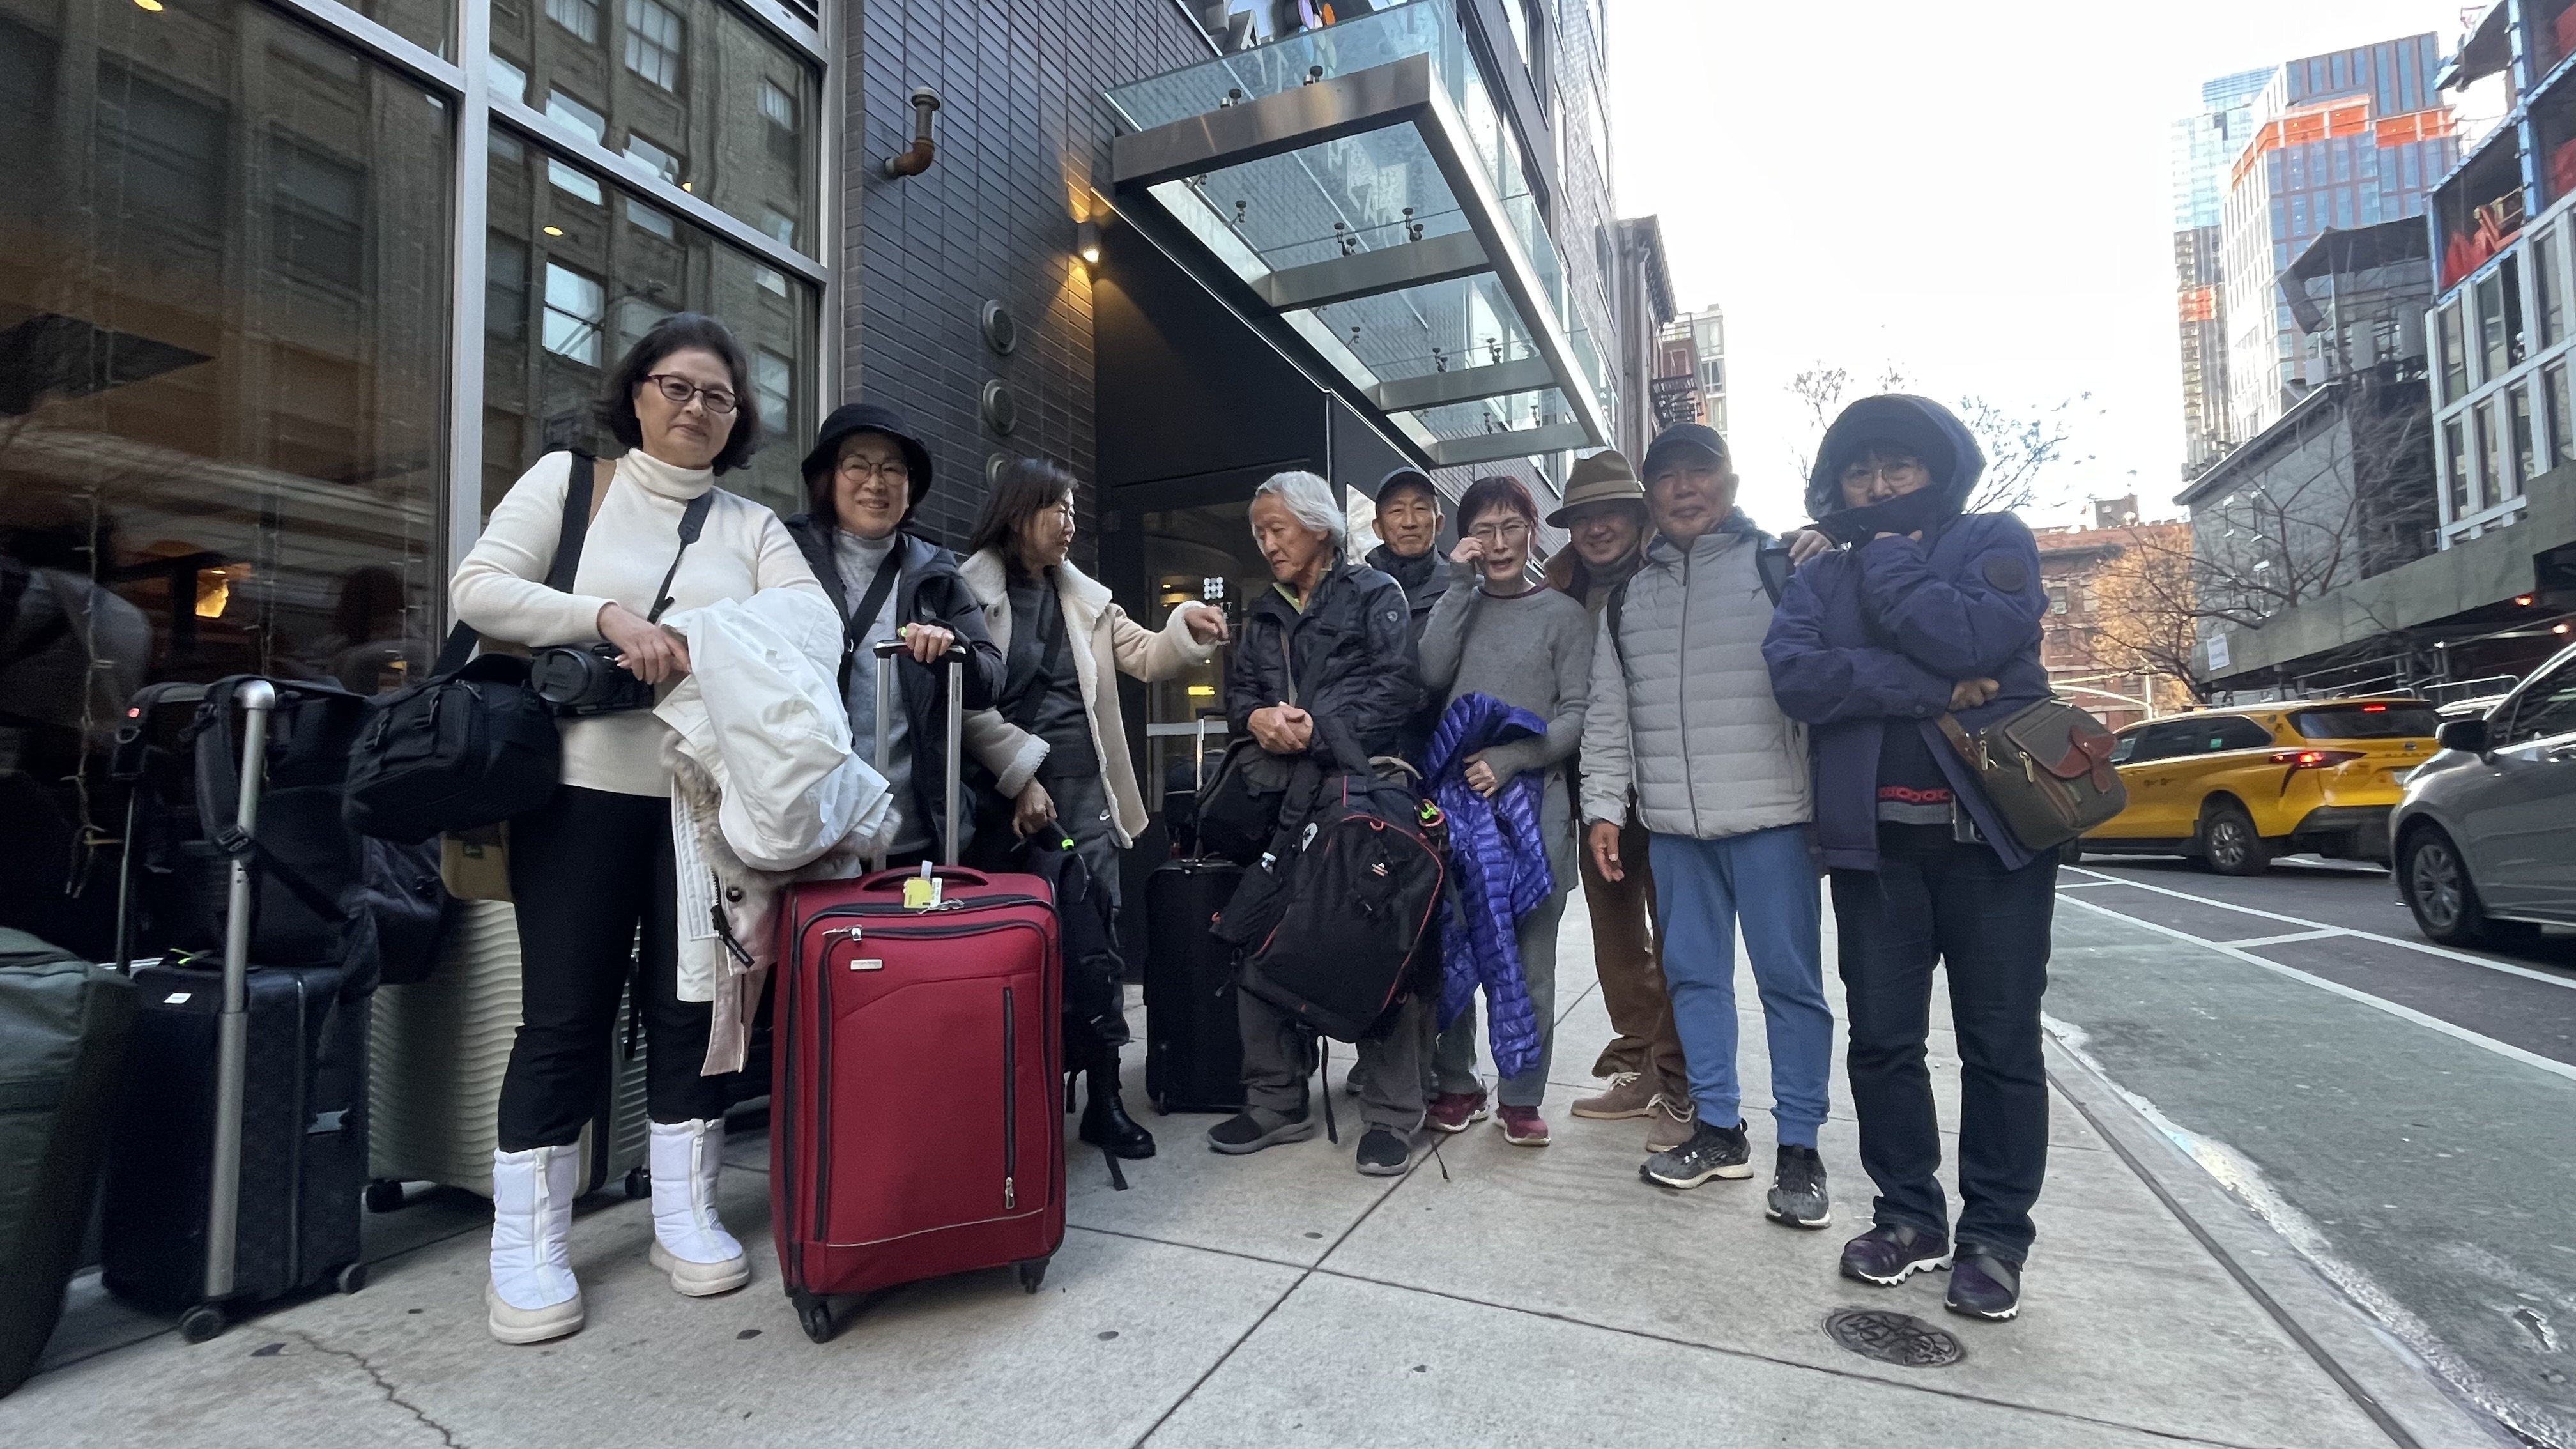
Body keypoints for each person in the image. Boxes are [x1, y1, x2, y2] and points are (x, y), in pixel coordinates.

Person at [452, 312, 830, 1344]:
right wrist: (606, 619)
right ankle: (527, 1246)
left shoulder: (753, 526)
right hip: (574, 792)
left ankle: (684, 1212)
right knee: (562, 1014)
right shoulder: (571, 483)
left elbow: (813, 627)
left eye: (719, 396)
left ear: (738, 418)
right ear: (635, 394)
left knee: (691, 1008)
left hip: (701, 806)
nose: (697, 408)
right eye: (677, 386)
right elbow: (479, 589)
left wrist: (694, 636)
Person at [1763, 395, 2056, 1322]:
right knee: (1885, 1043)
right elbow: (1799, 678)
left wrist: (1888, 553)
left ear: (1938, 471)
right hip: (1875, 848)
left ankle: (1996, 1236)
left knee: (1999, 1045)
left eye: (1898, 467)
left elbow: (1971, 638)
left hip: (1995, 845)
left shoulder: (1993, 541)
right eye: (1860, 473)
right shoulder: (1819, 577)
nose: (1879, 485)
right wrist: (1933, 690)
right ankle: (1908, 1216)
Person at [1579, 422, 1834, 1227]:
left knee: (1790, 986)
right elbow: (1609, 717)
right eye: (1668, 477)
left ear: (1730, 483)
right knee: (1693, 980)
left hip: (1772, 821)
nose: (1685, 489)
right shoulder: (1628, 600)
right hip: (1674, 829)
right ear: (1650, 497)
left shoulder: (1779, 568)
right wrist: (1603, 808)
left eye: (1701, 472)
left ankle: (1801, 1149)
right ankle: (1719, 1130)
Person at [954, 459, 1229, 1161]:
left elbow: (1149, 656)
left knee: (1098, 949)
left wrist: (1187, 626)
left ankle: (1103, 1099)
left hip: (1087, 798)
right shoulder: (962, 592)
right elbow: (963, 705)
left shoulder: (1087, 600)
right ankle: (1017, 1099)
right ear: (1018, 513)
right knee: (1012, 948)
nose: (1070, 524)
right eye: (1059, 509)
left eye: (1075, 510)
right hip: (999, 803)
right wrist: (1021, 776)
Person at [1206, 469, 1428, 1177]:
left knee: (1369, 942)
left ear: (1320, 527)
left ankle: (1393, 1112)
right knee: (1259, 933)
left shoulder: (1374, 592)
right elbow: (1239, 693)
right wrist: (1255, 717)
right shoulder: (1264, 609)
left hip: (1361, 794)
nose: (1268, 544)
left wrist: (1316, 731)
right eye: (1260, 534)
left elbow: (1399, 688)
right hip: (1282, 799)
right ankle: (1276, 1100)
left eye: (1277, 529)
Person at [1415, 475, 1591, 1146]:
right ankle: (1457, 1081)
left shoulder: (1563, 617)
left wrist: (1515, 758)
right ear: (1466, 540)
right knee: (1455, 948)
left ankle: (1522, 1095)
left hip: (1537, 807)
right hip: (1457, 807)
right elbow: (1430, 673)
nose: (1498, 543)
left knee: (1532, 960)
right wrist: (1457, 587)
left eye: (1511, 527)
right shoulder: (1458, 601)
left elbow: (1577, 713)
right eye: (1483, 530)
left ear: (1532, 532)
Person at [1542, 451, 1692, 1152]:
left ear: (1639, 516)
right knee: (1617, 941)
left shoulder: (1674, 572)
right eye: (1583, 517)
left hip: (1667, 788)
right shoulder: (1557, 589)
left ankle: (1677, 1074)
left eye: (1611, 513)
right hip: (1591, 789)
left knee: (1680, 940)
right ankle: (1639, 1057)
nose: (1597, 528)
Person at [782, 404, 1004, 860]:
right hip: (811, 830)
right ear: (828, 478)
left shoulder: (937, 573)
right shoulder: (785, 555)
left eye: (892, 469)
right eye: (857, 465)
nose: (875, 482)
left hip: (916, 831)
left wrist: (952, 648)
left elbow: (991, 681)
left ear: (910, 487)